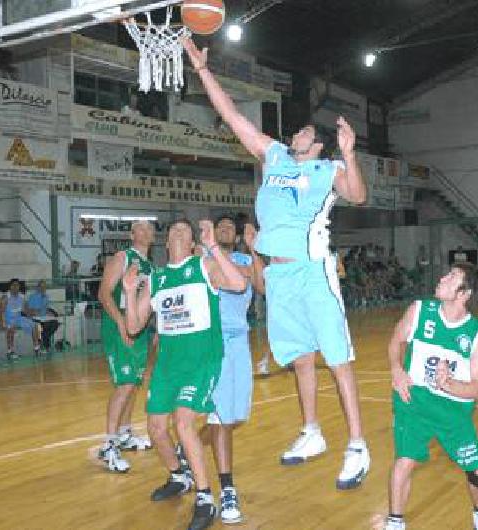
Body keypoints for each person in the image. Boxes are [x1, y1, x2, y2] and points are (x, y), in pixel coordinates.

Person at [183, 38, 371, 490]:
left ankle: (358, 446)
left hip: (312, 270)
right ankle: (312, 433)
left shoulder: (327, 171)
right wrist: (204, 71)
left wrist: (349, 153)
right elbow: (233, 117)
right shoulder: (275, 157)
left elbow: (359, 195)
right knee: (299, 359)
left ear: (318, 144)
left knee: (336, 358)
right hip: (279, 273)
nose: (297, 133)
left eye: (305, 132)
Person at [123, 218, 247, 530]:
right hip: (167, 364)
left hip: (201, 360)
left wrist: (214, 247)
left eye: (185, 230)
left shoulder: (204, 266)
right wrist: (127, 291)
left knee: (183, 422)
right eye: (174, 229)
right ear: (166, 243)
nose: (179, 231)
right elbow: (134, 326)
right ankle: (179, 476)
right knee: (155, 428)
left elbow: (239, 284)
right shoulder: (157, 278)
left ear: (192, 242)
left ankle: (206, 498)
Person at [383, 263, 478, 530]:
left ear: (464, 293)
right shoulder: (419, 310)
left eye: (452, 277)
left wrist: (450, 384)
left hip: (454, 410)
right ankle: (395, 522)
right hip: (414, 400)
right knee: (405, 460)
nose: (443, 278)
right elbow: (396, 340)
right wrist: (396, 368)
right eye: (447, 273)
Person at [196, 215, 265, 524]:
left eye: (229, 227)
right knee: (222, 417)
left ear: (236, 236)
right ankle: (227, 489)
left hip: (240, 341)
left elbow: (259, 285)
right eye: (219, 226)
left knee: (234, 417)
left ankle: (190, 446)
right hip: (212, 340)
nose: (224, 229)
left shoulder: (240, 257)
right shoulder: (203, 256)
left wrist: (254, 251)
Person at [97, 221, 156, 473]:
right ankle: (109, 444)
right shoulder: (123, 257)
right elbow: (104, 293)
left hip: (140, 327)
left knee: (133, 382)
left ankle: (125, 433)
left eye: (148, 229)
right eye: (139, 229)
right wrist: (121, 322)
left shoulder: (151, 267)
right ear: (132, 235)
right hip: (118, 324)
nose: (144, 232)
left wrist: (154, 329)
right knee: (125, 384)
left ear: (153, 236)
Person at [0, 278, 41, 360]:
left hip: (19, 318)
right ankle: (10, 351)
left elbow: (25, 310)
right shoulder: (5, 297)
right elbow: (0, 312)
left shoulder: (22, 296)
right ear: (10, 287)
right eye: (13, 285)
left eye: (17, 285)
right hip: (8, 319)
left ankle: (36, 347)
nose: (15, 287)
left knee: (35, 325)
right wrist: (2, 323)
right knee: (10, 328)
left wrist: (32, 314)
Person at [26, 280, 60, 352]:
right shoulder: (33, 296)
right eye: (41, 287)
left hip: (44, 317)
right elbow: (29, 310)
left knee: (55, 323)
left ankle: (44, 343)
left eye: (44, 287)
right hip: (35, 318)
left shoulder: (46, 297)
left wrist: (49, 312)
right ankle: (45, 345)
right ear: (38, 288)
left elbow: (46, 308)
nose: (43, 289)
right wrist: (34, 312)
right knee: (44, 326)